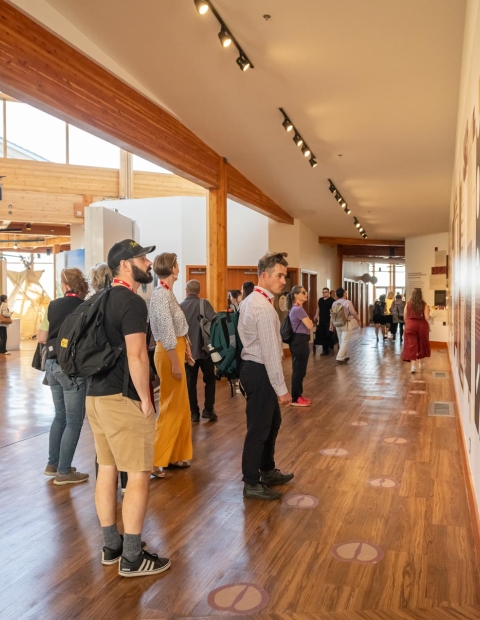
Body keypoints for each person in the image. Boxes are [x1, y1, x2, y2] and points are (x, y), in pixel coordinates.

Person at [86, 239, 171, 578]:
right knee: (137, 474)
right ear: (124, 265)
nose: (148, 263)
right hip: (123, 400)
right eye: (141, 258)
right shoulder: (133, 302)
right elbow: (136, 355)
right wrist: (147, 400)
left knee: (106, 469)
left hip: (95, 396)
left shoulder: (99, 299)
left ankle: (112, 546)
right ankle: (133, 558)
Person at [238, 251, 293, 501]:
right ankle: (251, 481)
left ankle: (268, 470)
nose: (284, 280)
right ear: (264, 275)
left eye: (285, 275)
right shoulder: (261, 307)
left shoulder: (256, 301)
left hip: (257, 370)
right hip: (260, 371)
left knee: (271, 424)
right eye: (279, 275)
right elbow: (271, 352)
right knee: (259, 429)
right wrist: (282, 389)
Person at [37, 269, 90, 485]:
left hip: (51, 364)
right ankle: (65, 471)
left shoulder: (53, 305)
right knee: (74, 421)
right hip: (72, 368)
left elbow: (41, 337)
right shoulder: (85, 307)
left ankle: (53, 464)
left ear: (65, 285)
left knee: (59, 416)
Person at [150, 253, 193, 476]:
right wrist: (176, 361)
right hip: (168, 353)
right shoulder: (160, 295)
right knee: (171, 406)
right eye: (177, 264)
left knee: (180, 406)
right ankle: (156, 459)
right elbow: (166, 331)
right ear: (171, 268)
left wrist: (184, 351)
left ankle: (174, 454)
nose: (178, 267)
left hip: (173, 350)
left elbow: (176, 329)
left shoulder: (167, 293)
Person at [180, 279, 217, 423]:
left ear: (186, 290)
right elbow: (214, 322)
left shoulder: (180, 307)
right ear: (199, 290)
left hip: (188, 353)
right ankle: (208, 410)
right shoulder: (204, 304)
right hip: (206, 350)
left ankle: (193, 413)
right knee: (210, 380)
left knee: (190, 382)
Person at [287, 285, 313, 407]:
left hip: (300, 341)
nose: (306, 294)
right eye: (303, 292)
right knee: (298, 370)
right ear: (296, 295)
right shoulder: (298, 309)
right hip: (299, 341)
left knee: (300, 370)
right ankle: (295, 398)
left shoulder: (297, 308)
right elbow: (309, 325)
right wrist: (310, 321)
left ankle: (298, 395)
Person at [330, 287, 362, 363]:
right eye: (345, 292)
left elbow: (332, 315)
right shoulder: (347, 302)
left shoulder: (334, 303)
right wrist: (358, 320)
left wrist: (331, 325)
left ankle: (344, 356)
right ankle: (340, 357)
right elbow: (353, 313)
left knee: (341, 340)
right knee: (345, 341)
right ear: (344, 293)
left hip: (337, 323)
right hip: (346, 323)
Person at [402, 288, 431, 373]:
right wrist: (431, 316)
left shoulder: (408, 304)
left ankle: (413, 367)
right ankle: (421, 364)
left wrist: (408, 323)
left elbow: (405, 317)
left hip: (410, 325)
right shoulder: (424, 304)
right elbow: (427, 317)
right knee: (422, 344)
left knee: (411, 345)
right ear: (420, 294)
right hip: (422, 326)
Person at [314, 287, 334, 356]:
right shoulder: (320, 300)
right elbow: (318, 308)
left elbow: (332, 311)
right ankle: (324, 350)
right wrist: (316, 316)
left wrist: (332, 322)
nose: (324, 293)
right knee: (323, 335)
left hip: (329, 320)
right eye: (323, 292)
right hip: (321, 320)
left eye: (325, 292)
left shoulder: (332, 300)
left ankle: (331, 349)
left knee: (329, 334)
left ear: (328, 293)